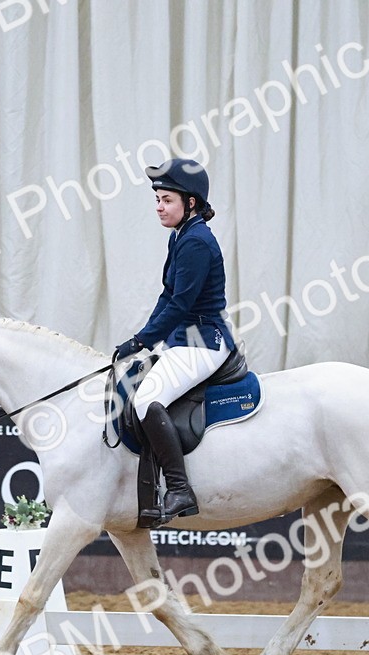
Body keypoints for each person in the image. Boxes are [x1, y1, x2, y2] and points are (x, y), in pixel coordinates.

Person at [113, 158, 236, 524]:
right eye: (157, 200)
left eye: (166, 200)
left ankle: (180, 489)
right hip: (185, 338)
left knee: (147, 399)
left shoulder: (197, 241)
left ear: (191, 203)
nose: (159, 207)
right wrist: (143, 338)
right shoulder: (181, 236)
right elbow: (168, 297)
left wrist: (142, 340)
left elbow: (182, 304)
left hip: (204, 341)